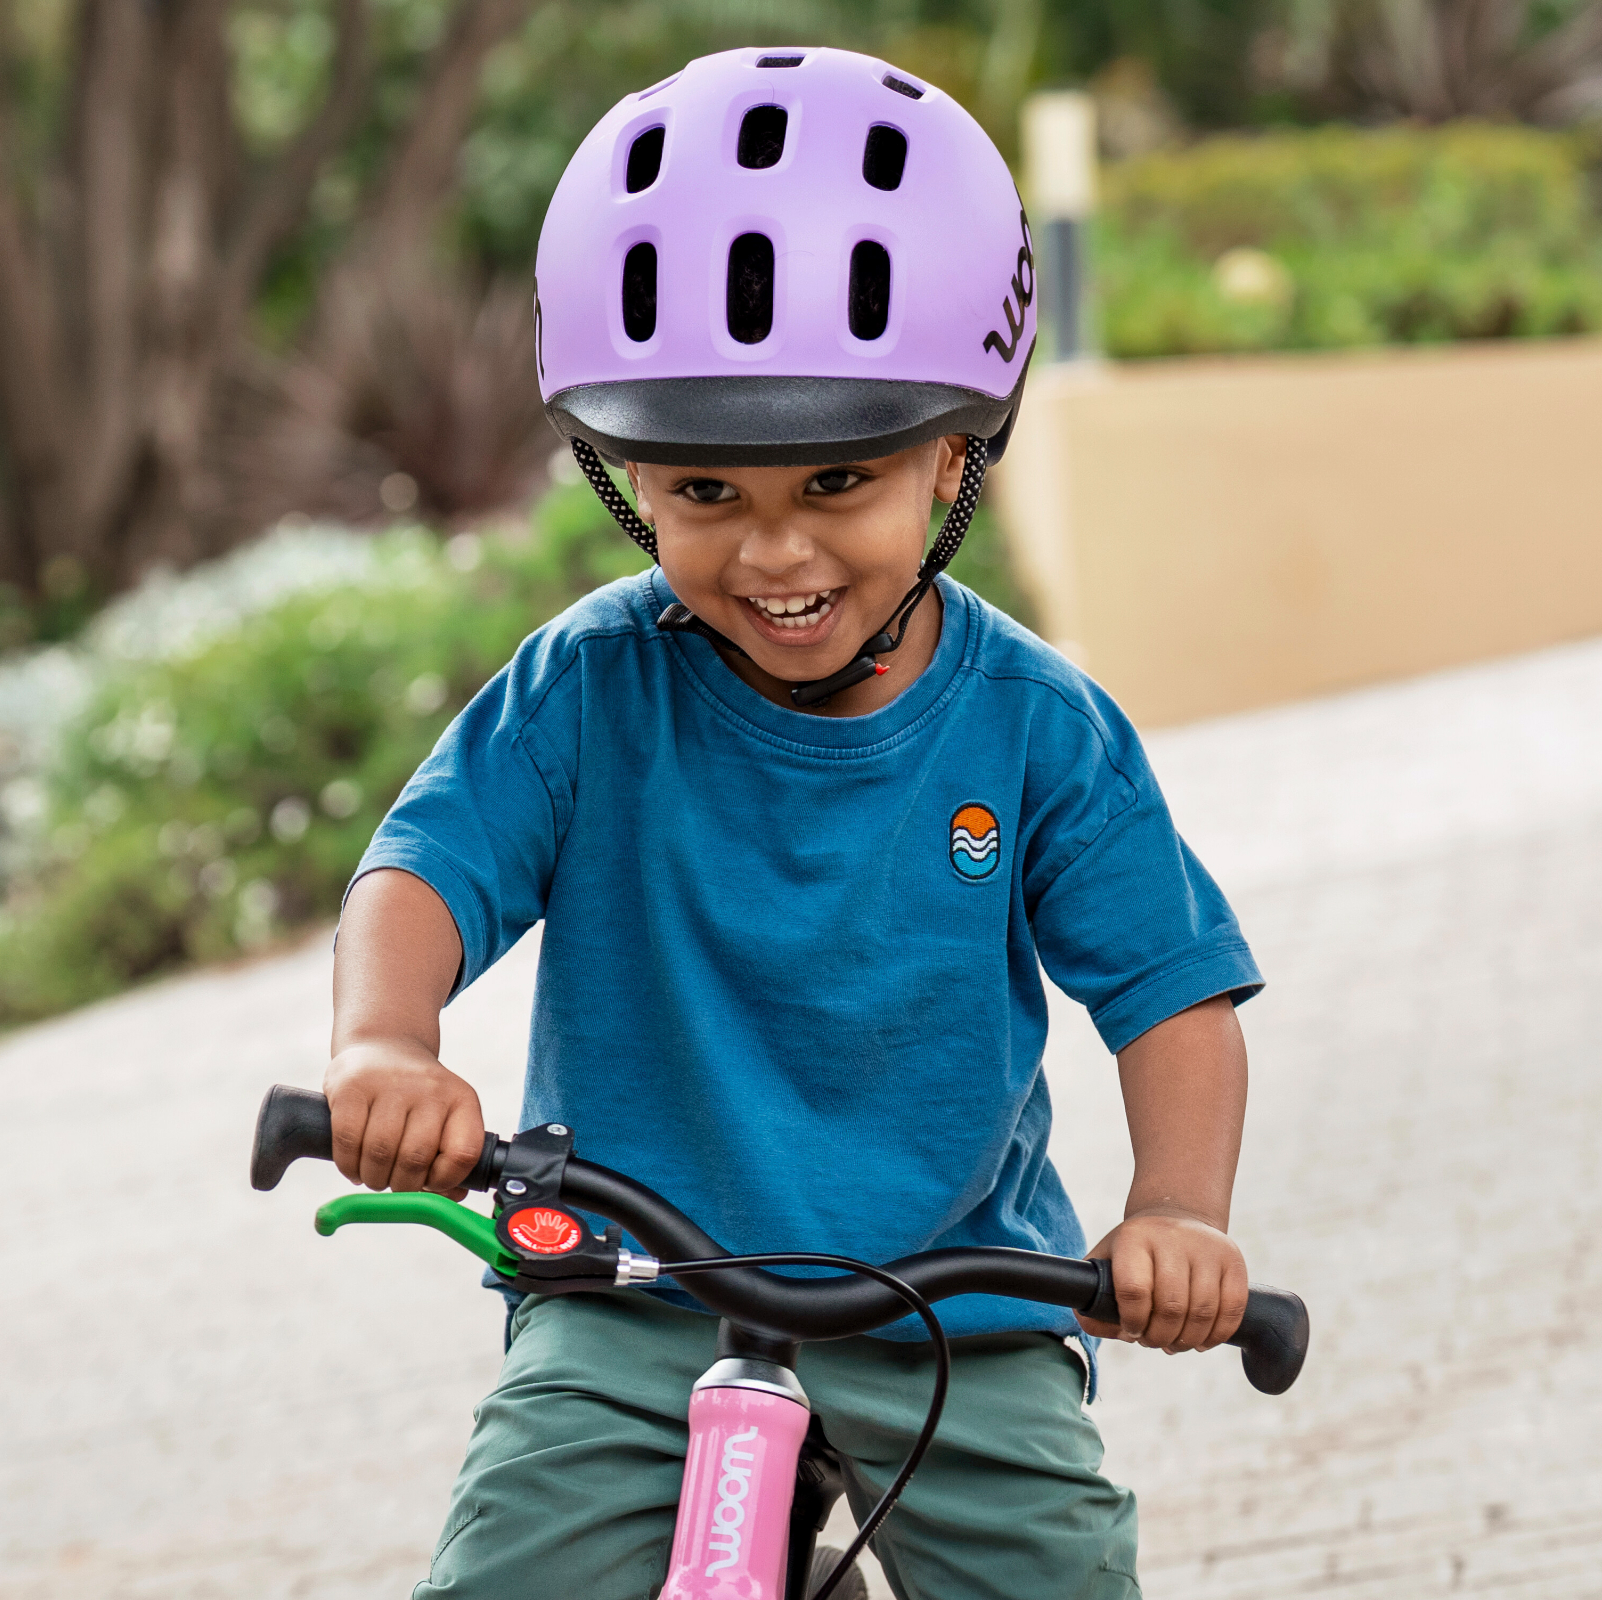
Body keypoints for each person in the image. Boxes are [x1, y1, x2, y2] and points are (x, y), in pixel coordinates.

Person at [324, 46, 1261, 1600]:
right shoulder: (587, 688)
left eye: (840, 478)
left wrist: (1174, 1216)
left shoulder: (1036, 729)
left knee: (1056, 1573)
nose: (774, 551)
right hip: (629, 1302)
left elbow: (1174, 992)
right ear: (623, 478)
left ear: (957, 452)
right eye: (703, 490)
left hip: (951, 1310)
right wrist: (385, 1046)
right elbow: (422, 870)